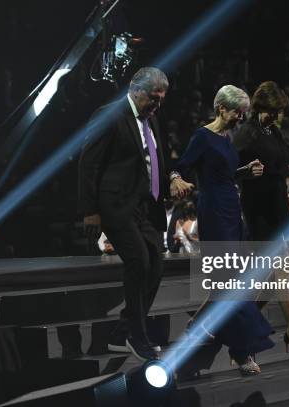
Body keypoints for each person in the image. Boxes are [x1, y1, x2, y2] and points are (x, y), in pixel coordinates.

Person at [170, 85, 273, 375]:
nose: (240, 119)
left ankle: (200, 322)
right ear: (221, 109)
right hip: (214, 210)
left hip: (232, 209)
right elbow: (181, 166)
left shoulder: (227, 139)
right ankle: (242, 352)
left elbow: (225, 175)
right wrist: (176, 179)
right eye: (237, 113)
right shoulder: (203, 136)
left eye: (243, 114)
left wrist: (244, 171)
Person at [78, 67, 180, 361]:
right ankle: (137, 335)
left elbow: (158, 157)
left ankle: (122, 332)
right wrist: (90, 211)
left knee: (156, 265)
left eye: (162, 99)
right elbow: (89, 164)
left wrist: (171, 178)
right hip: (115, 204)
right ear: (136, 90)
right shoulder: (109, 114)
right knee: (138, 260)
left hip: (145, 206)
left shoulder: (152, 119)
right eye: (153, 98)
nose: (158, 104)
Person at [234, 81, 289, 355]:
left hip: (279, 203)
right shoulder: (246, 132)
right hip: (258, 207)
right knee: (281, 270)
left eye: (277, 111)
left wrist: (288, 197)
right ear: (259, 106)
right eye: (271, 110)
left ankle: (241, 330)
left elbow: (279, 170)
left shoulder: (274, 131)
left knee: (271, 276)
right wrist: (245, 171)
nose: (275, 115)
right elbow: (230, 168)